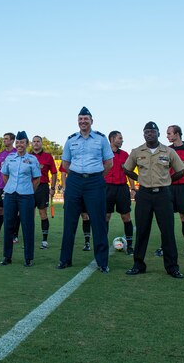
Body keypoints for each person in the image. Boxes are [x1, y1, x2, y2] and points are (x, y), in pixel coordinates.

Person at [124, 122, 184, 279]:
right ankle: (138, 264)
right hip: (144, 194)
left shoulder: (168, 151)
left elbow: (181, 170)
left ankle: (172, 267)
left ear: (158, 133)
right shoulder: (137, 151)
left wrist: (168, 180)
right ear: (143, 134)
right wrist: (139, 178)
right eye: (146, 132)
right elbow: (126, 169)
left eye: (152, 131)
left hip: (163, 195)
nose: (149, 134)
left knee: (167, 232)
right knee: (142, 231)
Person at [58, 107, 114, 273]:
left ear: (91, 121)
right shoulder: (70, 140)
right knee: (69, 222)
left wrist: (94, 177)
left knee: (98, 223)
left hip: (95, 182)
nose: (83, 121)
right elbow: (65, 164)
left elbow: (109, 163)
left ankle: (102, 262)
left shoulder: (101, 139)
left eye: (86, 119)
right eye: (80, 119)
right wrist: (78, 176)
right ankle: (65, 259)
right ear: (78, 121)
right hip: (74, 181)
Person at [156, 125, 184, 259]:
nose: (167, 136)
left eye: (169, 133)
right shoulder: (166, 150)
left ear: (177, 134)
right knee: (166, 218)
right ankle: (164, 247)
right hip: (168, 187)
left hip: (183, 188)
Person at [0, 131, 41, 266]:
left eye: (22, 142)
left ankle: (28, 258)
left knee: (27, 225)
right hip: (10, 195)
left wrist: (29, 191)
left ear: (27, 144)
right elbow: (4, 175)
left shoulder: (32, 160)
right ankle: (7, 256)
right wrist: (10, 187)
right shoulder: (10, 158)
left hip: (26, 195)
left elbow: (36, 179)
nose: (19, 145)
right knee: (8, 225)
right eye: (17, 142)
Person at [104, 131, 135, 256]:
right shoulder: (104, 154)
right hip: (106, 188)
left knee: (126, 216)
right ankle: (103, 245)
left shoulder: (125, 154)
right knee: (106, 217)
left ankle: (130, 246)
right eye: (120, 138)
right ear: (112, 139)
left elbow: (129, 172)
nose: (122, 140)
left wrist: (133, 188)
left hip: (122, 188)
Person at [30, 135, 58, 249]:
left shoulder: (48, 157)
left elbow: (54, 173)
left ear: (41, 143)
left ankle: (44, 241)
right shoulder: (27, 156)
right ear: (32, 143)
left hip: (42, 187)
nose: (36, 143)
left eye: (38, 141)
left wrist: (52, 188)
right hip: (28, 188)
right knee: (29, 215)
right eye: (34, 141)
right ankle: (29, 240)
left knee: (43, 214)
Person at [0, 133, 17, 243]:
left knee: (13, 212)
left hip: (13, 186)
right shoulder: (0, 155)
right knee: (0, 210)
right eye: (3, 139)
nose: (4, 141)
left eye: (6, 139)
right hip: (1, 187)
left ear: (12, 140)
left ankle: (14, 235)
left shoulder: (16, 153)